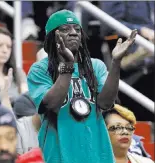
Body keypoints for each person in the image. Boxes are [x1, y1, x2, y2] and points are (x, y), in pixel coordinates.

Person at [27, 9, 137, 163]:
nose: (73, 33)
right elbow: (51, 104)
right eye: (65, 29)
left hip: (97, 153)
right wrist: (67, 66)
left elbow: (106, 103)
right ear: (52, 37)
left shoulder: (95, 65)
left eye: (77, 29)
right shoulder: (40, 69)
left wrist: (116, 63)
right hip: (59, 153)